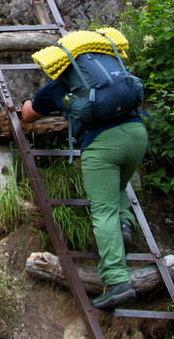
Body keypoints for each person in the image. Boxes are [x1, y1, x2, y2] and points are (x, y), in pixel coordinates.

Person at [19, 27, 148, 310]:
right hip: (137, 135)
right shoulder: (111, 70)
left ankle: (116, 281)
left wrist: (25, 105)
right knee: (117, 186)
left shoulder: (61, 84)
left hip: (102, 145)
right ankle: (124, 223)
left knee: (102, 210)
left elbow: (29, 114)